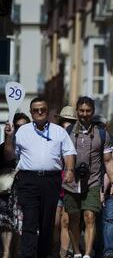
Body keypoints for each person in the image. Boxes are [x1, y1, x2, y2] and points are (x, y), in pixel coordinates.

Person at [8, 97, 76, 258]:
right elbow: (10, 155)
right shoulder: (22, 131)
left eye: (43, 110)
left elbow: (69, 152)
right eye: (36, 110)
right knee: (30, 221)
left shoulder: (59, 131)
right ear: (31, 113)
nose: (39, 112)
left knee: (47, 223)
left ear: (48, 112)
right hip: (28, 181)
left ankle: (43, 254)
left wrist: (70, 170)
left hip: (51, 180)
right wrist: (9, 137)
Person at [63, 97, 113, 258]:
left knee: (89, 216)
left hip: (93, 181)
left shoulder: (102, 134)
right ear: (77, 111)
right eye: (81, 111)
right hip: (71, 183)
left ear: (93, 112)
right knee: (73, 219)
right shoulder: (67, 132)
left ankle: (87, 254)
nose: (85, 114)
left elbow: (108, 161)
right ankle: (77, 252)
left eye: (88, 111)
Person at [92, 115, 113, 258]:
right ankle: (97, 248)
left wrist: (112, 185)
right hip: (93, 186)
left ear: (106, 126)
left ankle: (109, 250)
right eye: (95, 125)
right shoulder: (90, 141)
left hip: (112, 186)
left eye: (100, 125)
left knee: (110, 218)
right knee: (94, 219)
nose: (98, 127)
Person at [1, 113, 30, 258]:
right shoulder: (7, 144)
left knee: (20, 223)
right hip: (7, 190)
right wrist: (8, 137)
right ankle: (6, 253)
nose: (21, 129)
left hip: (25, 189)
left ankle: (15, 252)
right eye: (18, 126)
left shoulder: (33, 147)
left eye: (25, 126)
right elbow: (7, 156)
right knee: (6, 222)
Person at [54, 106, 77, 257]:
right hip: (56, 183)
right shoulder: (55, 136)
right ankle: (56, 247)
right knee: (55, 222)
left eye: (70, 121)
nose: (66, 124)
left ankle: (64, 252)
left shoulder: (78, 137)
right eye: (64, 121)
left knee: (65, 222)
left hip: (71, 185)